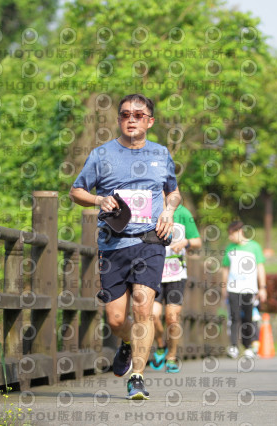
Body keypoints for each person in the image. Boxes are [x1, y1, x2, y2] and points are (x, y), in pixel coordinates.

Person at [69, 94, 180, 399]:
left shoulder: (161, 153)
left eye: (138, 115)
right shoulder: (101, 155)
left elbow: (173, 192)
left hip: (150, 242)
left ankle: (138, 376)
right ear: (118, 119)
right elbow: (75, 190)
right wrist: (97, 199)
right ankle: (128, 343)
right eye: (124, 114)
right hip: (113, 243)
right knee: (117, 319)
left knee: (143, 307)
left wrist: (169, 210)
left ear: (150, 121)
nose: (131, 119)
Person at [149, 204, 202, 373]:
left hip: (176, 274)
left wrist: (186, 242)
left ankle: (171, 356)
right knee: (152, 315)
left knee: (172, 318)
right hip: (153, 273)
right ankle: (160, 345)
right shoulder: (151, 207)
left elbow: (197, 241)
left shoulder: (183, 212)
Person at [221, 220, 267, 359]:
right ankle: (234, 346)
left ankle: (248, 346)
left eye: (232, 234)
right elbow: (225, 269)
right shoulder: (230, 248)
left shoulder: (254, 247)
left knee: (248, 318)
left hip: (249, 288)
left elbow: (260, 267)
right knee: (234, 317)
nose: (230, 237)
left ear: (240, 231)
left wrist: (262, 287)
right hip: (233, 288)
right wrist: (223, 287)